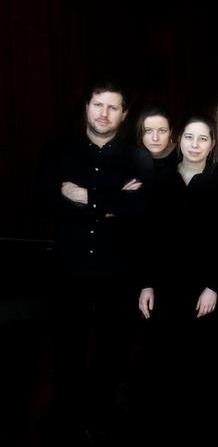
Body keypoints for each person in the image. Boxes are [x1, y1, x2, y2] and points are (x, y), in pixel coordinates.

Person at [41, 80, 153, 440]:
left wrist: (85, 196)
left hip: (117, 274)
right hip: (68, 270)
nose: (104, 113)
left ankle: (102, 421)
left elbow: (138, 208)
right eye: (98, 105)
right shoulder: (59, 152)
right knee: (67, 351)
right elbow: (50, 204)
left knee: (111, 353)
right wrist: (110, 202)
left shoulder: (138, 159)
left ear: (124, 114)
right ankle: (65, 422)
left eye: (113, 107)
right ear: (87, 107)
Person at [137, 115, 218, 441]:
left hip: (203, 288)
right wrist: (147, 283)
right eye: (190, 137)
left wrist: (214, 286)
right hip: (166, 286)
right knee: (163, 360)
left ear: (212, 144)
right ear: (179, 139)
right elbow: (149, 236)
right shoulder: (162, 179)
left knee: (201, 362)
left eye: (203, 138)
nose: (195, 145)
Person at [136, 103, 177, 178]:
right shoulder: (131, 156)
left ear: (170, 132)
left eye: (162, 131)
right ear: (140, 132)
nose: (155, 138)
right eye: (148, 130)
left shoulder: (182, 153)